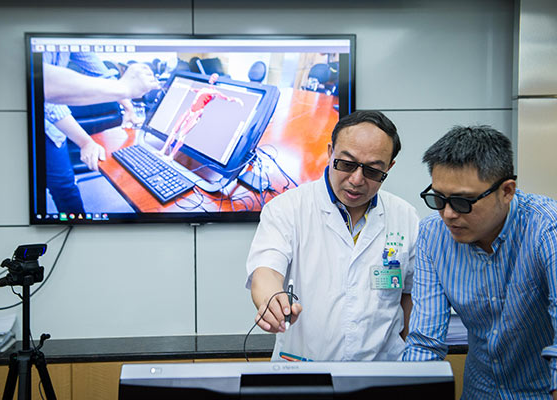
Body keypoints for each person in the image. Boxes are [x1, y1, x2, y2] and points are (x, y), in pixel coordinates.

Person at [245, 110, 419, 361]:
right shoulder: (287, 209)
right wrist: (272, 300)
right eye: (346, 164)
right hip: (305, 368)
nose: (357, 179)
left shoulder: (405, 217)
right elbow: (267, 271)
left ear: (389, 167)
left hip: (381, 372)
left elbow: (410, 295)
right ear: (330, 152)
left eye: (372, 171)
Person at [402, 125, 557, 399]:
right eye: (438, 198)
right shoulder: (432, 235)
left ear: (507, 191)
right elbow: (425, 343)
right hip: (479, 391)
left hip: (541, 391)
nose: (448, 214)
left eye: (463, 201)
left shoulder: (546, 230)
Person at [42, 52, 160, 212]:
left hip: (55, 125)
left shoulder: (74, 42)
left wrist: (129, 107)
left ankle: (78, 222)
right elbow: (43, 89)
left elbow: (100, 72)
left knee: (65, 186)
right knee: (60, 184)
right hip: (38, 121)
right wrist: (85, 142)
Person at [156, 73, 244, 161]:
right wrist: (178, 85)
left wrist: (237, 100)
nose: (211, 78)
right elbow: (192, 89)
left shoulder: (215, 92)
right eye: (212, 76)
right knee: (174, 130)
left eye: (214, 77)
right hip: (190, 110)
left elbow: (226, 98)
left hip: (196, 113)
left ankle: (171, 156)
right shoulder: (204, 88)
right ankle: (163, 150)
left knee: (182, 135)